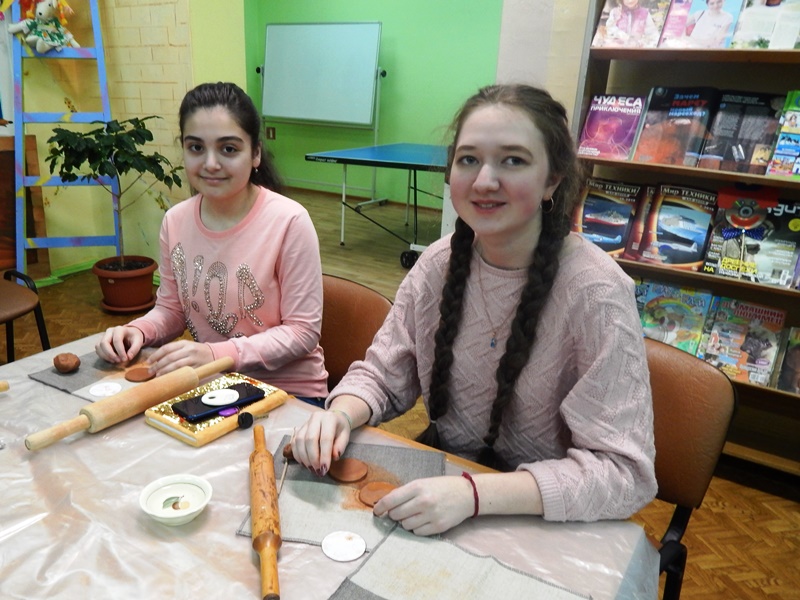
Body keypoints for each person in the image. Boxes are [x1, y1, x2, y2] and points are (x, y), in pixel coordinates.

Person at [292, 84, 657, 535]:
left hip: (540, 517)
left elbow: (625, 474)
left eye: (513, 160)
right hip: (444, 492)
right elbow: (383, 374)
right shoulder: (438, 264)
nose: (484, 181)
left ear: (553, 180)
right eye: (468, 159)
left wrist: (474, 494)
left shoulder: (597, 293)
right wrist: (340, 414)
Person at [95, 82, 328, 402]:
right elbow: (171, 310)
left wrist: (216, 354)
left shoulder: (289, 221)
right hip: (214, 385)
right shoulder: (175, 221)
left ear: (256, 153)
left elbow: (302, 333)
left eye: (228, 149)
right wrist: (138, 331)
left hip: (290, 394)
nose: (210, 163)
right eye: (196, 148)